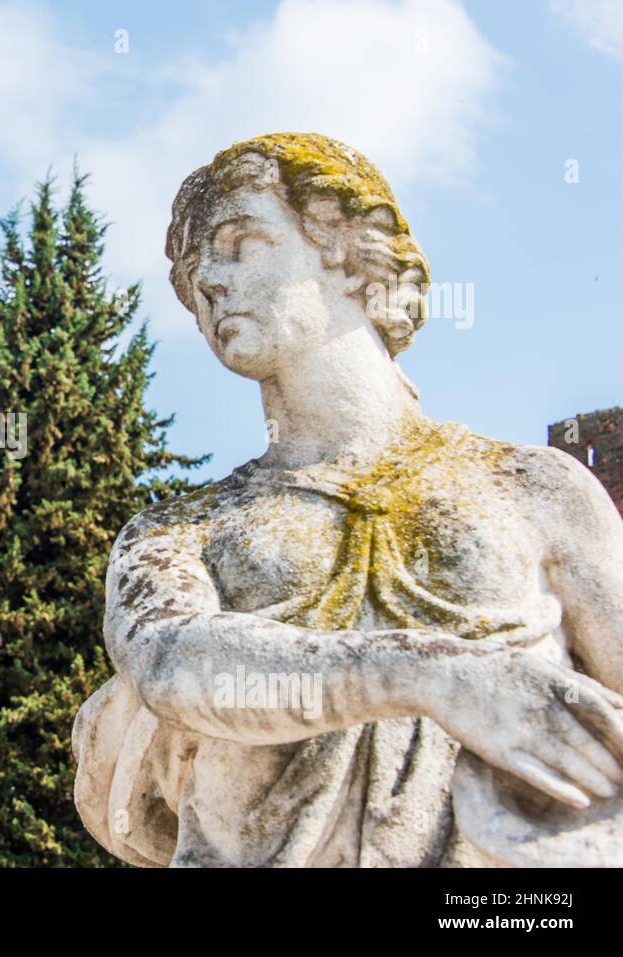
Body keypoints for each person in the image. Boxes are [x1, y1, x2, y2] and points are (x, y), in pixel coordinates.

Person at [73, 133, 623, 867]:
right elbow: (173, 664)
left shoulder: (530, 486)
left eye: (241, 242)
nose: (208, 281)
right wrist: (435, 674)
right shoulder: (179, 531)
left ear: (351, 249)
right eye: (190, 271)